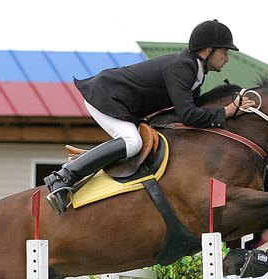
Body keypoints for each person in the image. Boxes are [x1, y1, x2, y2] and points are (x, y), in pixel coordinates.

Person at [44, 19, 255, 214]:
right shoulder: (183, 67)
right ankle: (64, 176)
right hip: (106, 96)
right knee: (131, 143)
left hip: (120, 102)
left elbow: (190, 110)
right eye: (224, 52)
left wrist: (229, 107)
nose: (227, 58)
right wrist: (226, 111)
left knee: (134, 142)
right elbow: (188, 115)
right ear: (208, 50)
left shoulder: (195, 72)